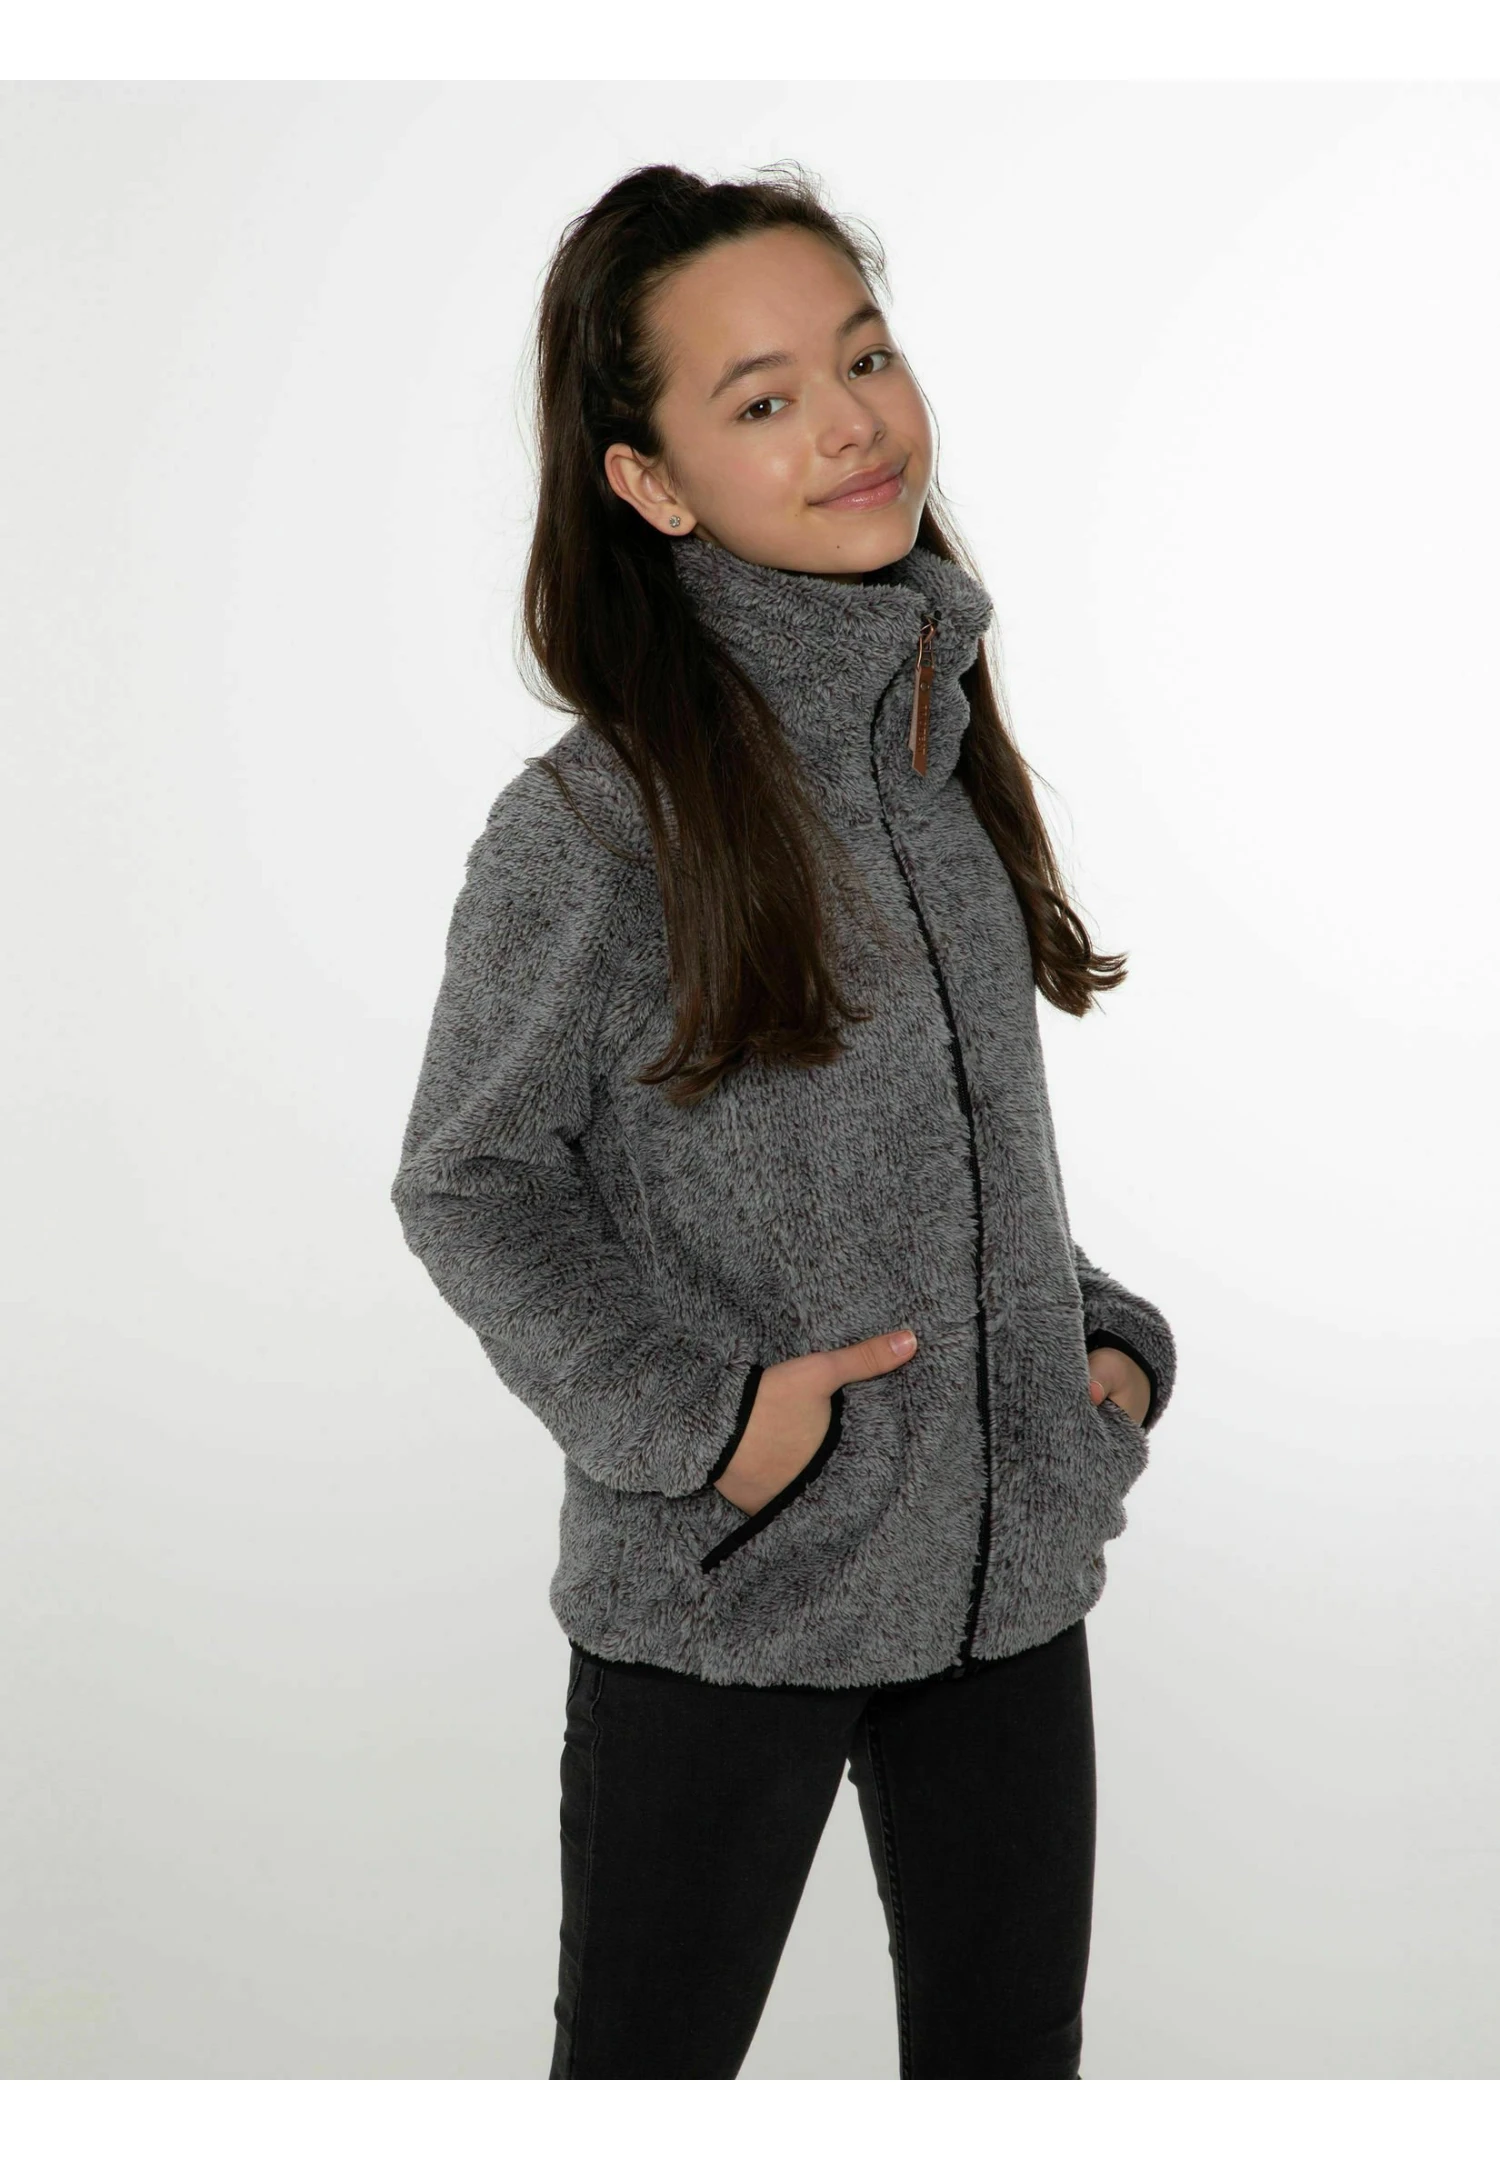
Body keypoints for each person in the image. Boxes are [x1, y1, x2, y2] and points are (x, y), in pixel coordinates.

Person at [390, 159, 1178, 2080]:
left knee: (1013, 2071)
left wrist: (1088, 1337)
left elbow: (954, 1143)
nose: (848, 425)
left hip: (1010, 1581)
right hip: (736, 1592)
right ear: (649, 482)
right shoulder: (597, 827)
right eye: (761, 399)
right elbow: (470, 1179)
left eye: (865, 357)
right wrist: (711, 1427)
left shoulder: (935, 750)